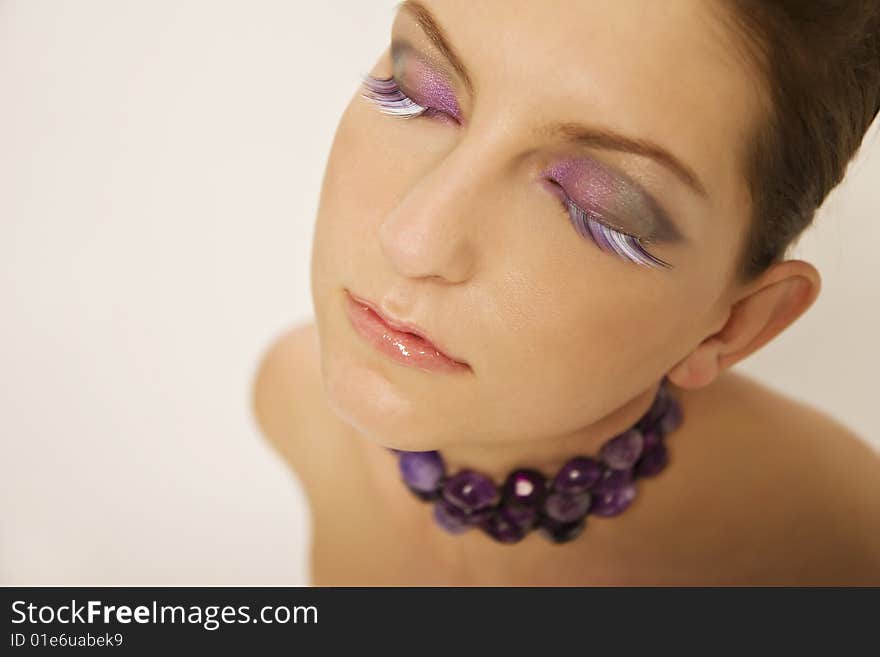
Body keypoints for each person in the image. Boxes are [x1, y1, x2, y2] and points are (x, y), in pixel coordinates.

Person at [252, 0, 880, 585]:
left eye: (593, 209)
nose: (413, 239)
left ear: (735, 324)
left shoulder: (838, 544)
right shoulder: (291, 394)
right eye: (416, 96)